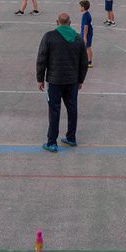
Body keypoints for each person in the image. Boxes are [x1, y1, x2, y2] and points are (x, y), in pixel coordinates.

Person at [37, 12, 88, 153]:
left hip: (55, 81)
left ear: (57, 22)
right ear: (70, 23)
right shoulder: (78, 38)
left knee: (54, 110)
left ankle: (52, 142)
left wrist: (40, 78)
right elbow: (83, 62)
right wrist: (80, 80)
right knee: (72, 108)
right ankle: (71, 137)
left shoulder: (49, 37)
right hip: (71, 81)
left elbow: (42, 58)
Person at [79, 0, 94, 68]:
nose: (79, 8)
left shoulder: (85, 16)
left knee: (88, 47)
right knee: (85, 47)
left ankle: (89, 62)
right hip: (86, 33)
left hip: (87, 34)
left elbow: (86, 27)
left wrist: (84, 36)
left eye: (80, 6)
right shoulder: (86, 14)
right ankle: (86, 60)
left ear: (83, 7)